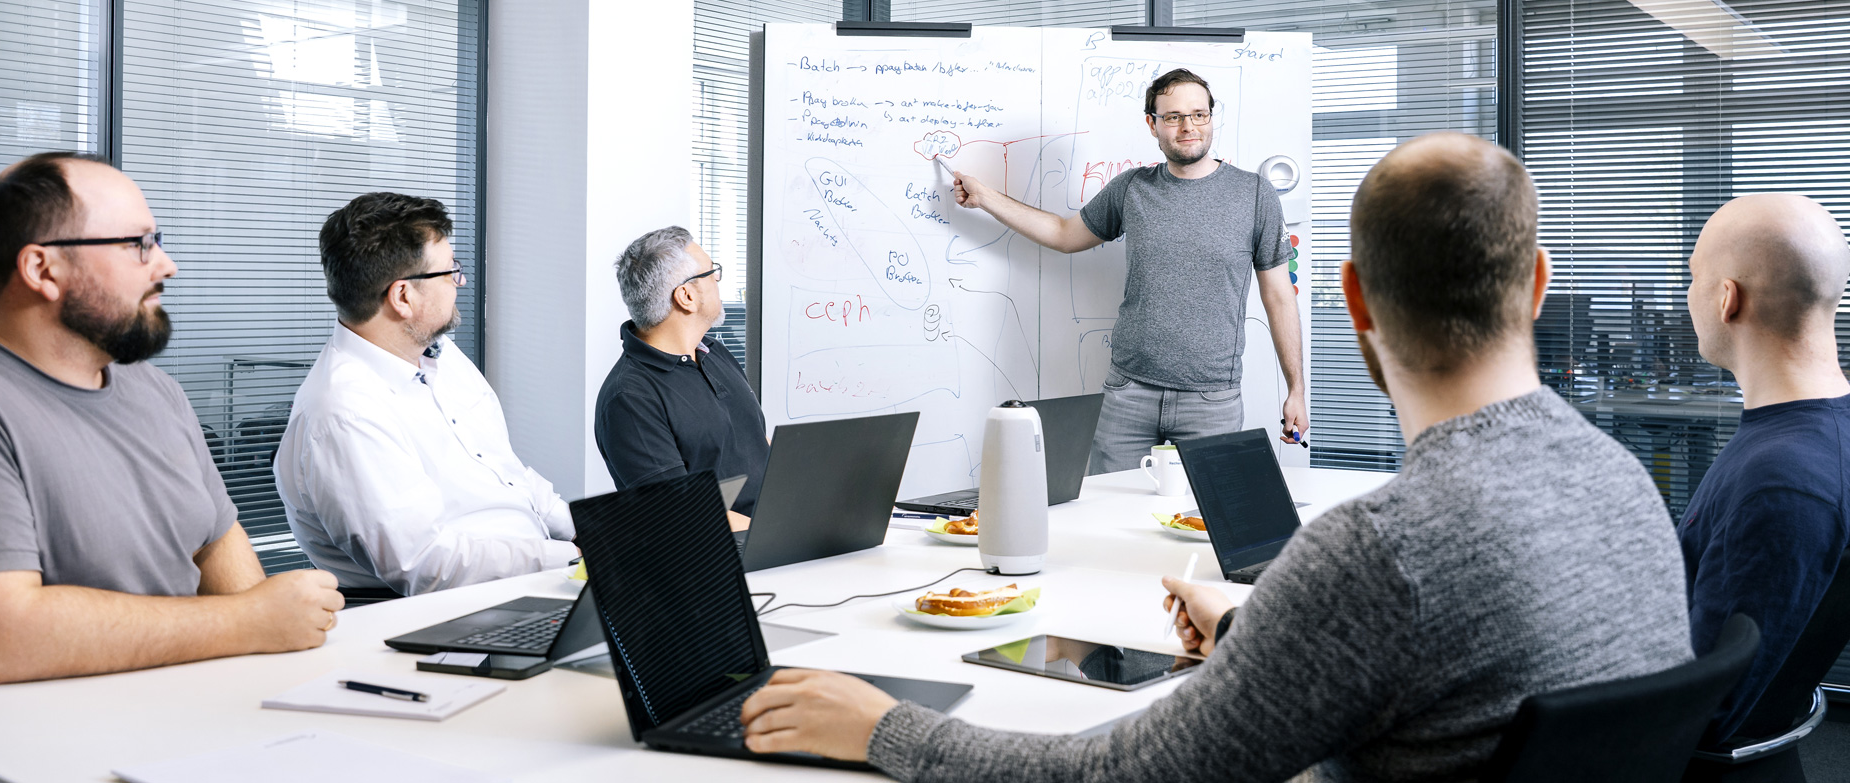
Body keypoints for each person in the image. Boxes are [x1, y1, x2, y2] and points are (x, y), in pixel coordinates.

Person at [735, 133, 1695, 781]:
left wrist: (880, 728)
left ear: (1353, 302)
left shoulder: (1381, 552)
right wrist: (1262, 632)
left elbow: (1122, 774)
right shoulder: (1625, 486)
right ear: (1537, 285)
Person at [0, 152, 343, 707]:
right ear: (42, 270)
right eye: (139, 244)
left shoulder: (156, 392)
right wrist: (248, 621)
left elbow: (216, 543)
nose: (166, 265)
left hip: (190, 711)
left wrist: (276, 659)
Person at [949, 68, 1306, 473]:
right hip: (1128, 393)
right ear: (1152, 124)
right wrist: (986, 198)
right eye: (1172, 117)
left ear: (1211, 117)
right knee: (1112, 517)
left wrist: (1296, 388)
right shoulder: (1131, 188)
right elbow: (1064, 234)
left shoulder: (1256, 195)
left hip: (1212, 400)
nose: (1188, 126)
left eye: (1198, 114)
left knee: (1206, 524)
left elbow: (1278, 296)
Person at [274, 192, 577, 597]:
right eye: (450, 271)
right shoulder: (343, 413)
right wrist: (568, 557)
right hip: (452, 613)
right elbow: (426, 564)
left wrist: (590, 530)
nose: (460, 282)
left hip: (539, 576)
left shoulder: (440, 355)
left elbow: (510, 476)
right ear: (403, 297)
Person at [1679, 193, 1850, 743]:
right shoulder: (1807, 440)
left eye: (1693, 277)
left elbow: (1701, 709)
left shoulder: (1781, 482)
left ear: (1727, 298)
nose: (1688, 295)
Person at [595, 226, 767, 529]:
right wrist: (780, 530)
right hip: (719, 559)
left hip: (779, 542)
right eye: (711, 272)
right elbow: (681, 513)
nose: (717, 280)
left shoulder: (714, 353)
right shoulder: (630, 397)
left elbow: (755, 444)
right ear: (686, 296)